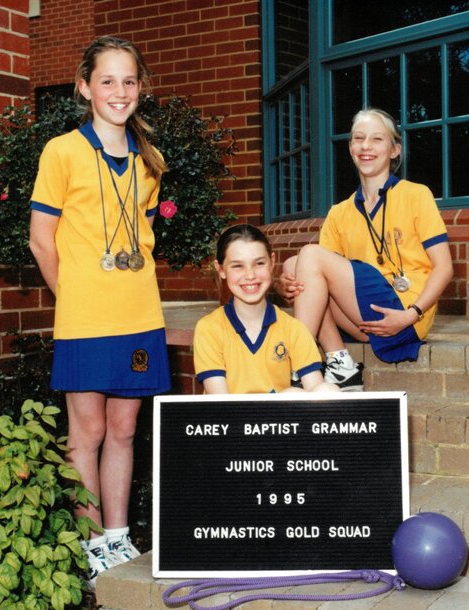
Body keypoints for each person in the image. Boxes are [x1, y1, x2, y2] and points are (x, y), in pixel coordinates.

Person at [28, 36, 169, 583]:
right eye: (107, 80)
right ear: (85, 87)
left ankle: (117, 536)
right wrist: (78, 298)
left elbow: (144, 234)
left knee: (125, 430)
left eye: (129, 81)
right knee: (84, 432)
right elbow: (43, 240)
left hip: (138, 318)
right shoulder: (62, 151)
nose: (119, 91)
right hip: (85, 320)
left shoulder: (149, 161)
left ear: (141, 89)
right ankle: (88, 543)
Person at [277, 108, 454, 391]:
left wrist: (412, 313)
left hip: (405, 313)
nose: (366, 147)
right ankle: (339, 362)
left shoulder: (416, 194)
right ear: (350, 148)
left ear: (395, 150)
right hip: (363, 319)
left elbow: (444, 268)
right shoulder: (340, 212)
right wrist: (288, 282)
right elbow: (313, 274)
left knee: (308, 257)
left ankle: (299, 363)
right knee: (293, 266)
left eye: (377, 139)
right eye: (358, 139)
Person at [194, 224, 340, 394]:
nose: (250, 275)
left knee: (326, 390)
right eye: (237, 266)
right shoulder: (209, 329)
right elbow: (220, 403)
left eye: (259, 263)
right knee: (293, 394)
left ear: (272, 262)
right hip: (231, 417)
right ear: (221, 270)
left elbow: (316, 388)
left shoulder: (292, 328)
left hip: (276, 418)